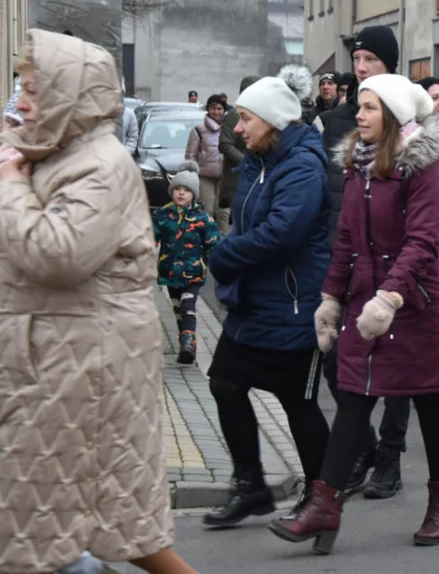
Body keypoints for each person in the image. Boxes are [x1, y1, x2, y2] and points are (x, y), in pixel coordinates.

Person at [0, 29, 195, 573]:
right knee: (71, 526)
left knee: (69, 527)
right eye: (22, 86)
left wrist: (7, 184)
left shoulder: (100, 165)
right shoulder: (50, 154)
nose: (23, 99)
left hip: (81, 370)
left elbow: (58, 254)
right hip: (54, 364)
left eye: (35, 88)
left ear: (70, 91)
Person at [269, 74, 439, 554]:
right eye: (359, 106)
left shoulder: (426, 166)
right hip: (365, 301)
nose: (358, 114)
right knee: (354, 396)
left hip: (416, 303)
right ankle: (324, 504)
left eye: (370, 108)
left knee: (432, 402)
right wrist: (331, 299)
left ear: (394, 115)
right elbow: (348, 240)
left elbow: (423, 243)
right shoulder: (357, 164)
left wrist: (390, 299)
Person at [202, 73, 332, 529]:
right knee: (225, 382)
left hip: (294, 304)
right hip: (256, 302)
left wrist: (223, 253)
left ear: (273, 122)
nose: (237, 128)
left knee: (297, 402)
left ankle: (321, 497)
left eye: (246, 119)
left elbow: (281, 233)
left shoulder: (301, 166)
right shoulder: (263, 159)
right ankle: (252, 486)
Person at [316, 26, 412, 501]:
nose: (360, 66)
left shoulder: (410, 125)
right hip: (351, 252)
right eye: (357, 57)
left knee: (397, 371)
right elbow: (332, 193)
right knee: (340, 362)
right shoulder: (337, 121)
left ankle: (389, 458)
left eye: (371, 58)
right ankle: (365, 446)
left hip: (396, 266)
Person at [153, 160, 222, 364]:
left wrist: (221, 265)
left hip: (193, 273)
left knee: (188, 306)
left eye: (186, 190)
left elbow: (215, 244)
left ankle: (188, 341)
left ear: (194, 194)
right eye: (177, 189)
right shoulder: (163, 215)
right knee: (177, 309)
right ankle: (186, 342)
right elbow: (151, 238)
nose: (181, 193)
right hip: (169, 272)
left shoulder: (202, 219)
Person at [218, 74, 261, 236]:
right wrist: (246, 161)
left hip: (257, 178)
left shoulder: (260, 114)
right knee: (241, 226)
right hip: (237, 180)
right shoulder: (235, 115)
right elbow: (224, 144)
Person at [184, 93, 227, 231]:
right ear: (208, 109)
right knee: (206, 210)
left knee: (223, 211)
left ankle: (224, 241)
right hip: (204, 176)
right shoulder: (198, 130)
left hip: (225, 176)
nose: (216, 112)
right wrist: (192, 175)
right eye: (213, 108)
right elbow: (190, 155)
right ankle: (204, 240)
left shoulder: (230, 128)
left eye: (219, 108)